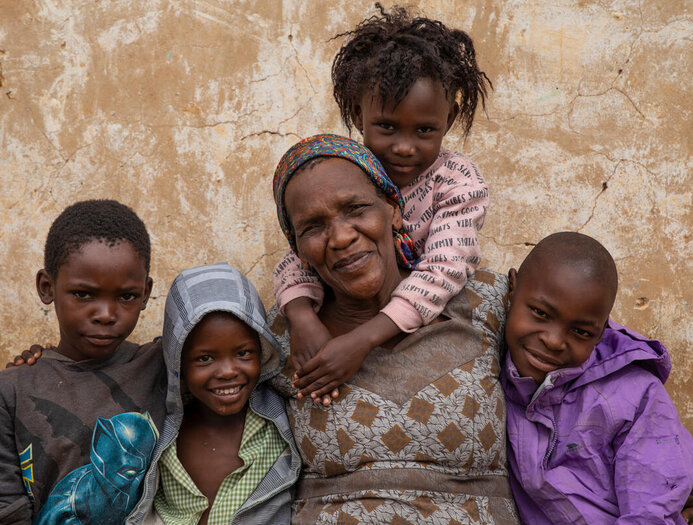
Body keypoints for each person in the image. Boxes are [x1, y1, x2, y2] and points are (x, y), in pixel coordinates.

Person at [270, 135, 519, 523]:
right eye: (313, 228)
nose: (340, 237)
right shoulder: (282, 336)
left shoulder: (486, 302)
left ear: (393, 210)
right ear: (297, 248)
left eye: (356, 209)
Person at [274, 4, 492, 403]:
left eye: (425, 130)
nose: (404, 148)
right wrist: (302, 317)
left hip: (417, 318)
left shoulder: (456, 180)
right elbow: (295, 255)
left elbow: (444, 268)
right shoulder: (350, 171)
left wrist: (361, 340)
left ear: (451, 117)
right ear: (359, 114)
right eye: (387, 127)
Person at [501, 232, 693, 524]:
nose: (554, 341)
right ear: (511, 289)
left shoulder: (636, 396)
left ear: (602, 331)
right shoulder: (483, 368)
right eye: (540, 313)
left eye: (581, 332)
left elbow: (651, 511)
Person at [0, 200, 167, 524]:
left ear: (146, 293)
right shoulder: (12, 391)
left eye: (127, 296)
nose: (106, 315)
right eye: (83, 294)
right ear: (47, 288)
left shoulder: (162, 368)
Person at [128, 263, 301, 525]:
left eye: (243, 353)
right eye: (205, 358)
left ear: (262, 350)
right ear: (178, 365)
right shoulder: (161, 425)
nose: (228, 371)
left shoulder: (278, 422)